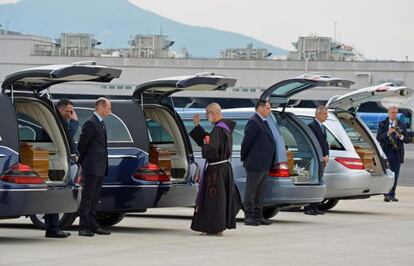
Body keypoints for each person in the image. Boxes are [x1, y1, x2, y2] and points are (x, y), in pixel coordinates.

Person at [189, 103, 237, 235]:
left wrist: (205, 147)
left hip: (216, 170)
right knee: (219, 199)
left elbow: (212, 150)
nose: (206, 117)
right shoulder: (224, 128)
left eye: (207, 114)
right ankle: (219, 225)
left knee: (213, 199)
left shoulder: (218, 129)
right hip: (224, 168)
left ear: (213, 112)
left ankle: (214, 226)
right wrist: (198, 128)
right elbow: (209, 140)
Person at [43, 99, 78, 238]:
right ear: (61, 110)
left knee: (55, 194)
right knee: (55, 194)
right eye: (69, 111)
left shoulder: (55, 120)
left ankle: (52, 226)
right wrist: (74, 122)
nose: (71, 114)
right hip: (53, 162)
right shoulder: (54, 122)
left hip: (57, 161)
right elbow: (66, 137)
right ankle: (53, 228)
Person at [77, 97, 112, 237]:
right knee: (88, 198)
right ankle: (83, 227)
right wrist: (80, 161)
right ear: (101, 107)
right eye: (109, 108)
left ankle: (93, 224)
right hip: (92, 166)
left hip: (100, 166)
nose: (110, 111)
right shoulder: (91, 123)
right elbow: (83, 145)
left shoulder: (101, 123)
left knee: (95, 198)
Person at [240, 99, 276, 226]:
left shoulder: (264, 122)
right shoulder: (253, 122)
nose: (269, 111)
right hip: (255, 164)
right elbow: (246, 143)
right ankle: (249, 216)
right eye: (268, 108)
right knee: (251, 191)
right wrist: (244, 157)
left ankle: (258, 215)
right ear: (260, 108)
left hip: (264, 164)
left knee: (260, 192)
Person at [376, 106, 410, 202]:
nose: (394, 114)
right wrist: (387, 133)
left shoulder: (401, 125)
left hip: (397, 153)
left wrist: (401, 136)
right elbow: (378, 138)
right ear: (388, 113)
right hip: (386, 151)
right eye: (392, 112)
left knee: (395, 174)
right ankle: (386, 194)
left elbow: (407, 140)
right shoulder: (383, 124)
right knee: (387, 173)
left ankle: (392, 194)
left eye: (396, 112)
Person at [305, 106, 330, 215]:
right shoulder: (311, 126)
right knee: (312, 183)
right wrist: (321, 156)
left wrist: (327, 155)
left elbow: (325, 143)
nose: (327, 116)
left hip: (322, 159)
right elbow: (313, 145)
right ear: (318, 114)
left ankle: (315, 206)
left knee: (318, 182)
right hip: (315, 159)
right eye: (325, 114)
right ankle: (308, 207)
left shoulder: (322, 127)